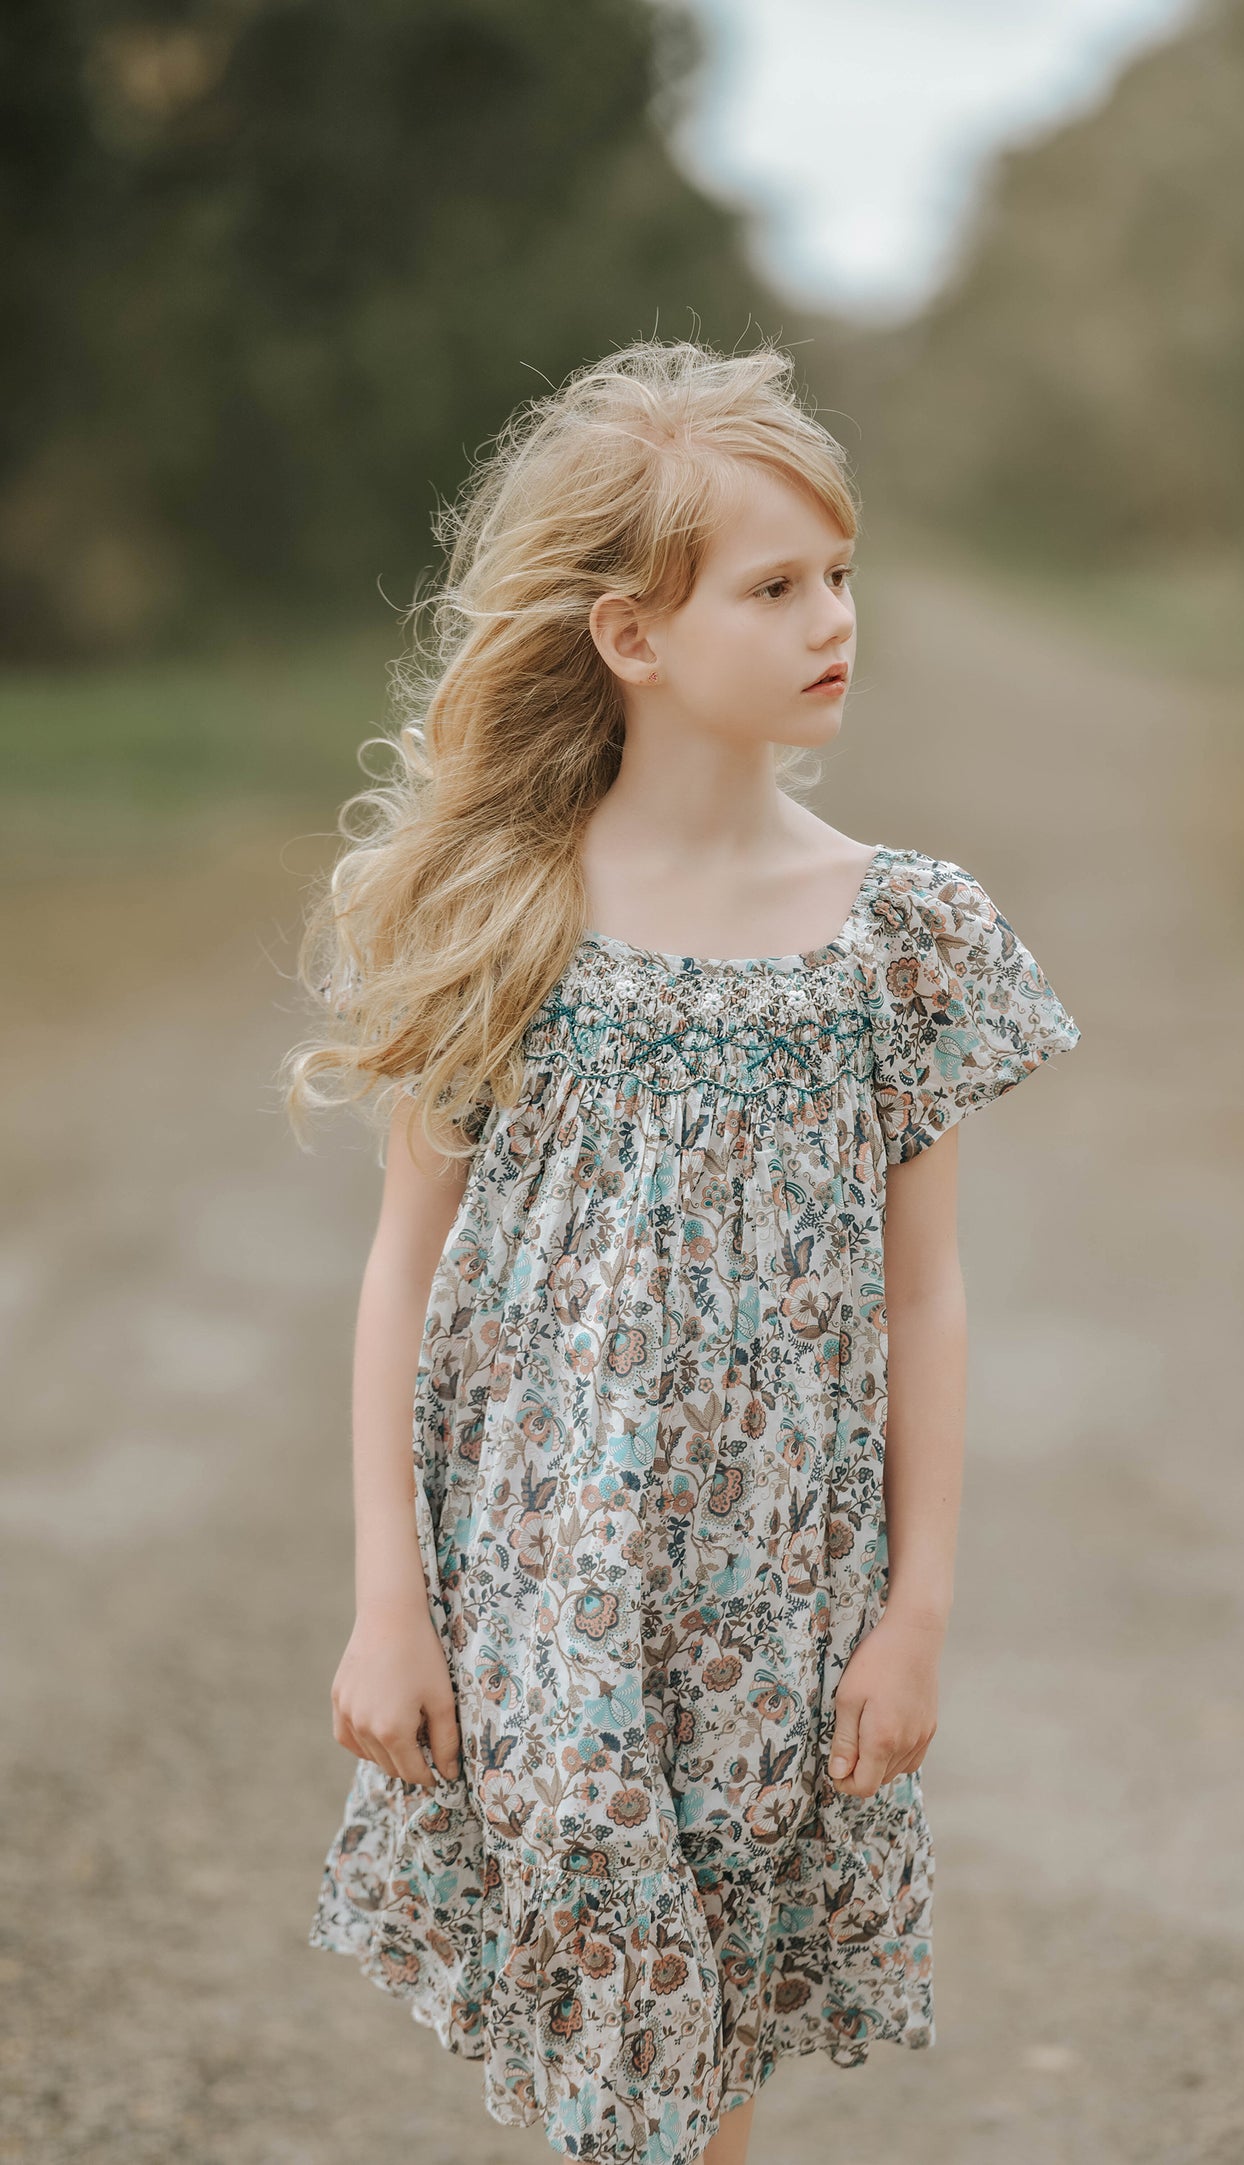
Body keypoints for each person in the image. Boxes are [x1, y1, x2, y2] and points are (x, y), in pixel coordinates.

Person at [283, 335, 1081, 2165]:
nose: (832, 620)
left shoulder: (902, 935)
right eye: (775, 585)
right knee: (618, 2012)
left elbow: (922, 1290)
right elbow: (405, 1268)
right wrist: (390, 1598)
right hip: (542, 1576)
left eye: (841, 574)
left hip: (779, 1595)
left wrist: (915, 1613)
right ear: (629, 634)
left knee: (700, 2043)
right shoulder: (508, 912)